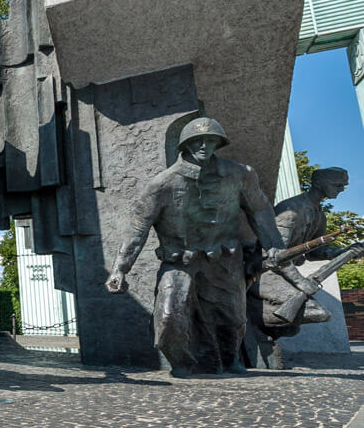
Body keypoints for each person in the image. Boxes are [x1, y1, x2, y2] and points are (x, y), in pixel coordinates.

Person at [105, 117, 290, 376]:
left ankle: (230, 360)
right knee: (169, 315)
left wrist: (274, 245)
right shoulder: (163, 183)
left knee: (233, 318)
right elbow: (138, 229)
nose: (204, 145)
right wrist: (119, 269)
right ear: (186, 145)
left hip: (224, 259)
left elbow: (260, 211)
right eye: (197, 140)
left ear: (219, 143)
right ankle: (183, 363)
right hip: (180, 261)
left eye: (211, 140)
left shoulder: (240, 175)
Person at [251, 167, 351, 335]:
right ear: (319, 184)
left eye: (343, 185)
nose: (341, 189)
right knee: (317, 313)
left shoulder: (319, 215)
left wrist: (347, 252)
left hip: (284, 272)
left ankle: (264, 329)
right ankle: (248, 316)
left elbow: (315, 252)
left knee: (293, 327)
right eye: (337, 185)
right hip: (265, 272)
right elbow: (275, 255)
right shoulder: (290, 210)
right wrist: (300, 282)